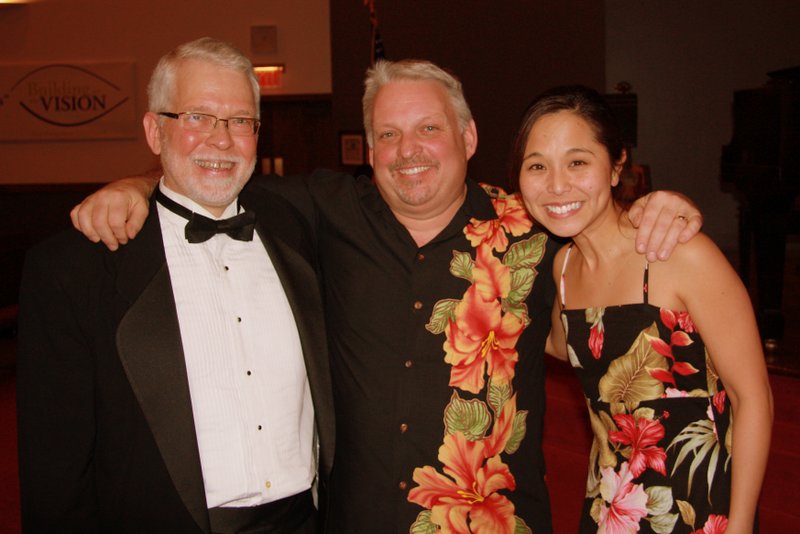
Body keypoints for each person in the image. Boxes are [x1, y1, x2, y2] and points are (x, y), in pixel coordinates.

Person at [70, 59, 703, 533]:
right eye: (389, 135)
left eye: (428, 128)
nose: (409, 152)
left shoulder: (532, 228)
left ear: (469, 137)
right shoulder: (321, 210)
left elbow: (602, 226)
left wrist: (658, 206)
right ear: (369, 149)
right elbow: (209, 178)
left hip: (497, 523)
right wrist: (135, 184)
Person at [16, 37, 334, 533]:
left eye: (239, 121)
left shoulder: (300, 228)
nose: (222, 139)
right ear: (154, 130)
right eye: (197, 117)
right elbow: (55, 472)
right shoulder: (73, 270)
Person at [512, 85, 773, 533]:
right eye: (537, 166)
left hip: (699, 504)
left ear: (617, 167)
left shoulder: (678, 255)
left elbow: (755, 399)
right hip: (613, 503)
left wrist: (741, 525)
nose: (557, 185)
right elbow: (562, 344)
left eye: (578, 162)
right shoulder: (562, 266)